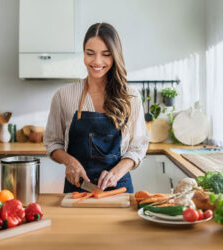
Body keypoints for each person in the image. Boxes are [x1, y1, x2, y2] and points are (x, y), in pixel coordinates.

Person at [43, 22, 149, 193]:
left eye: (106, 54)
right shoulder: (64, 96)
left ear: (115, 56)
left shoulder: (130, 97)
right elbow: (52, 142)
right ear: (83, 53)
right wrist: (69, 162)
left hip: (118, 188)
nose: (97, 61)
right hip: (77, 189)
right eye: (90, 53)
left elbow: (138, 146)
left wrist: (116, 172)